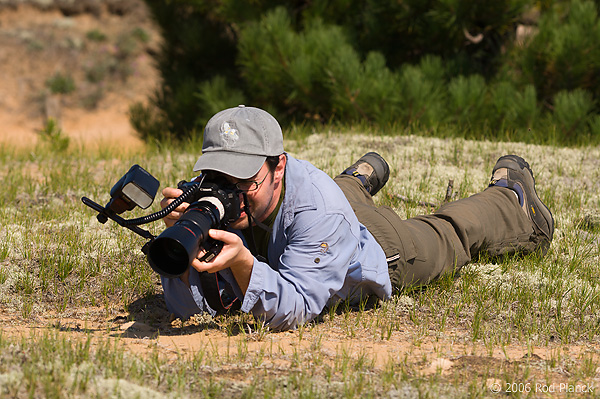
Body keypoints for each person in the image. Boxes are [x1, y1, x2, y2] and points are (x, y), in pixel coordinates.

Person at [159, 105, 554, 331]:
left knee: (451, 232)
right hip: (322, 218)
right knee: (334, 196)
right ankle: (358, 179)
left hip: (381, 248)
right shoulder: (222, 194)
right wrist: (184, 240)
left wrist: (244, 264)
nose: (228, 193)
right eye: (216, 177)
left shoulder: (319, 211)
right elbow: (192, 308)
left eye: (243, 181)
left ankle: (510, 197)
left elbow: (296, 307)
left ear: (278, 167)